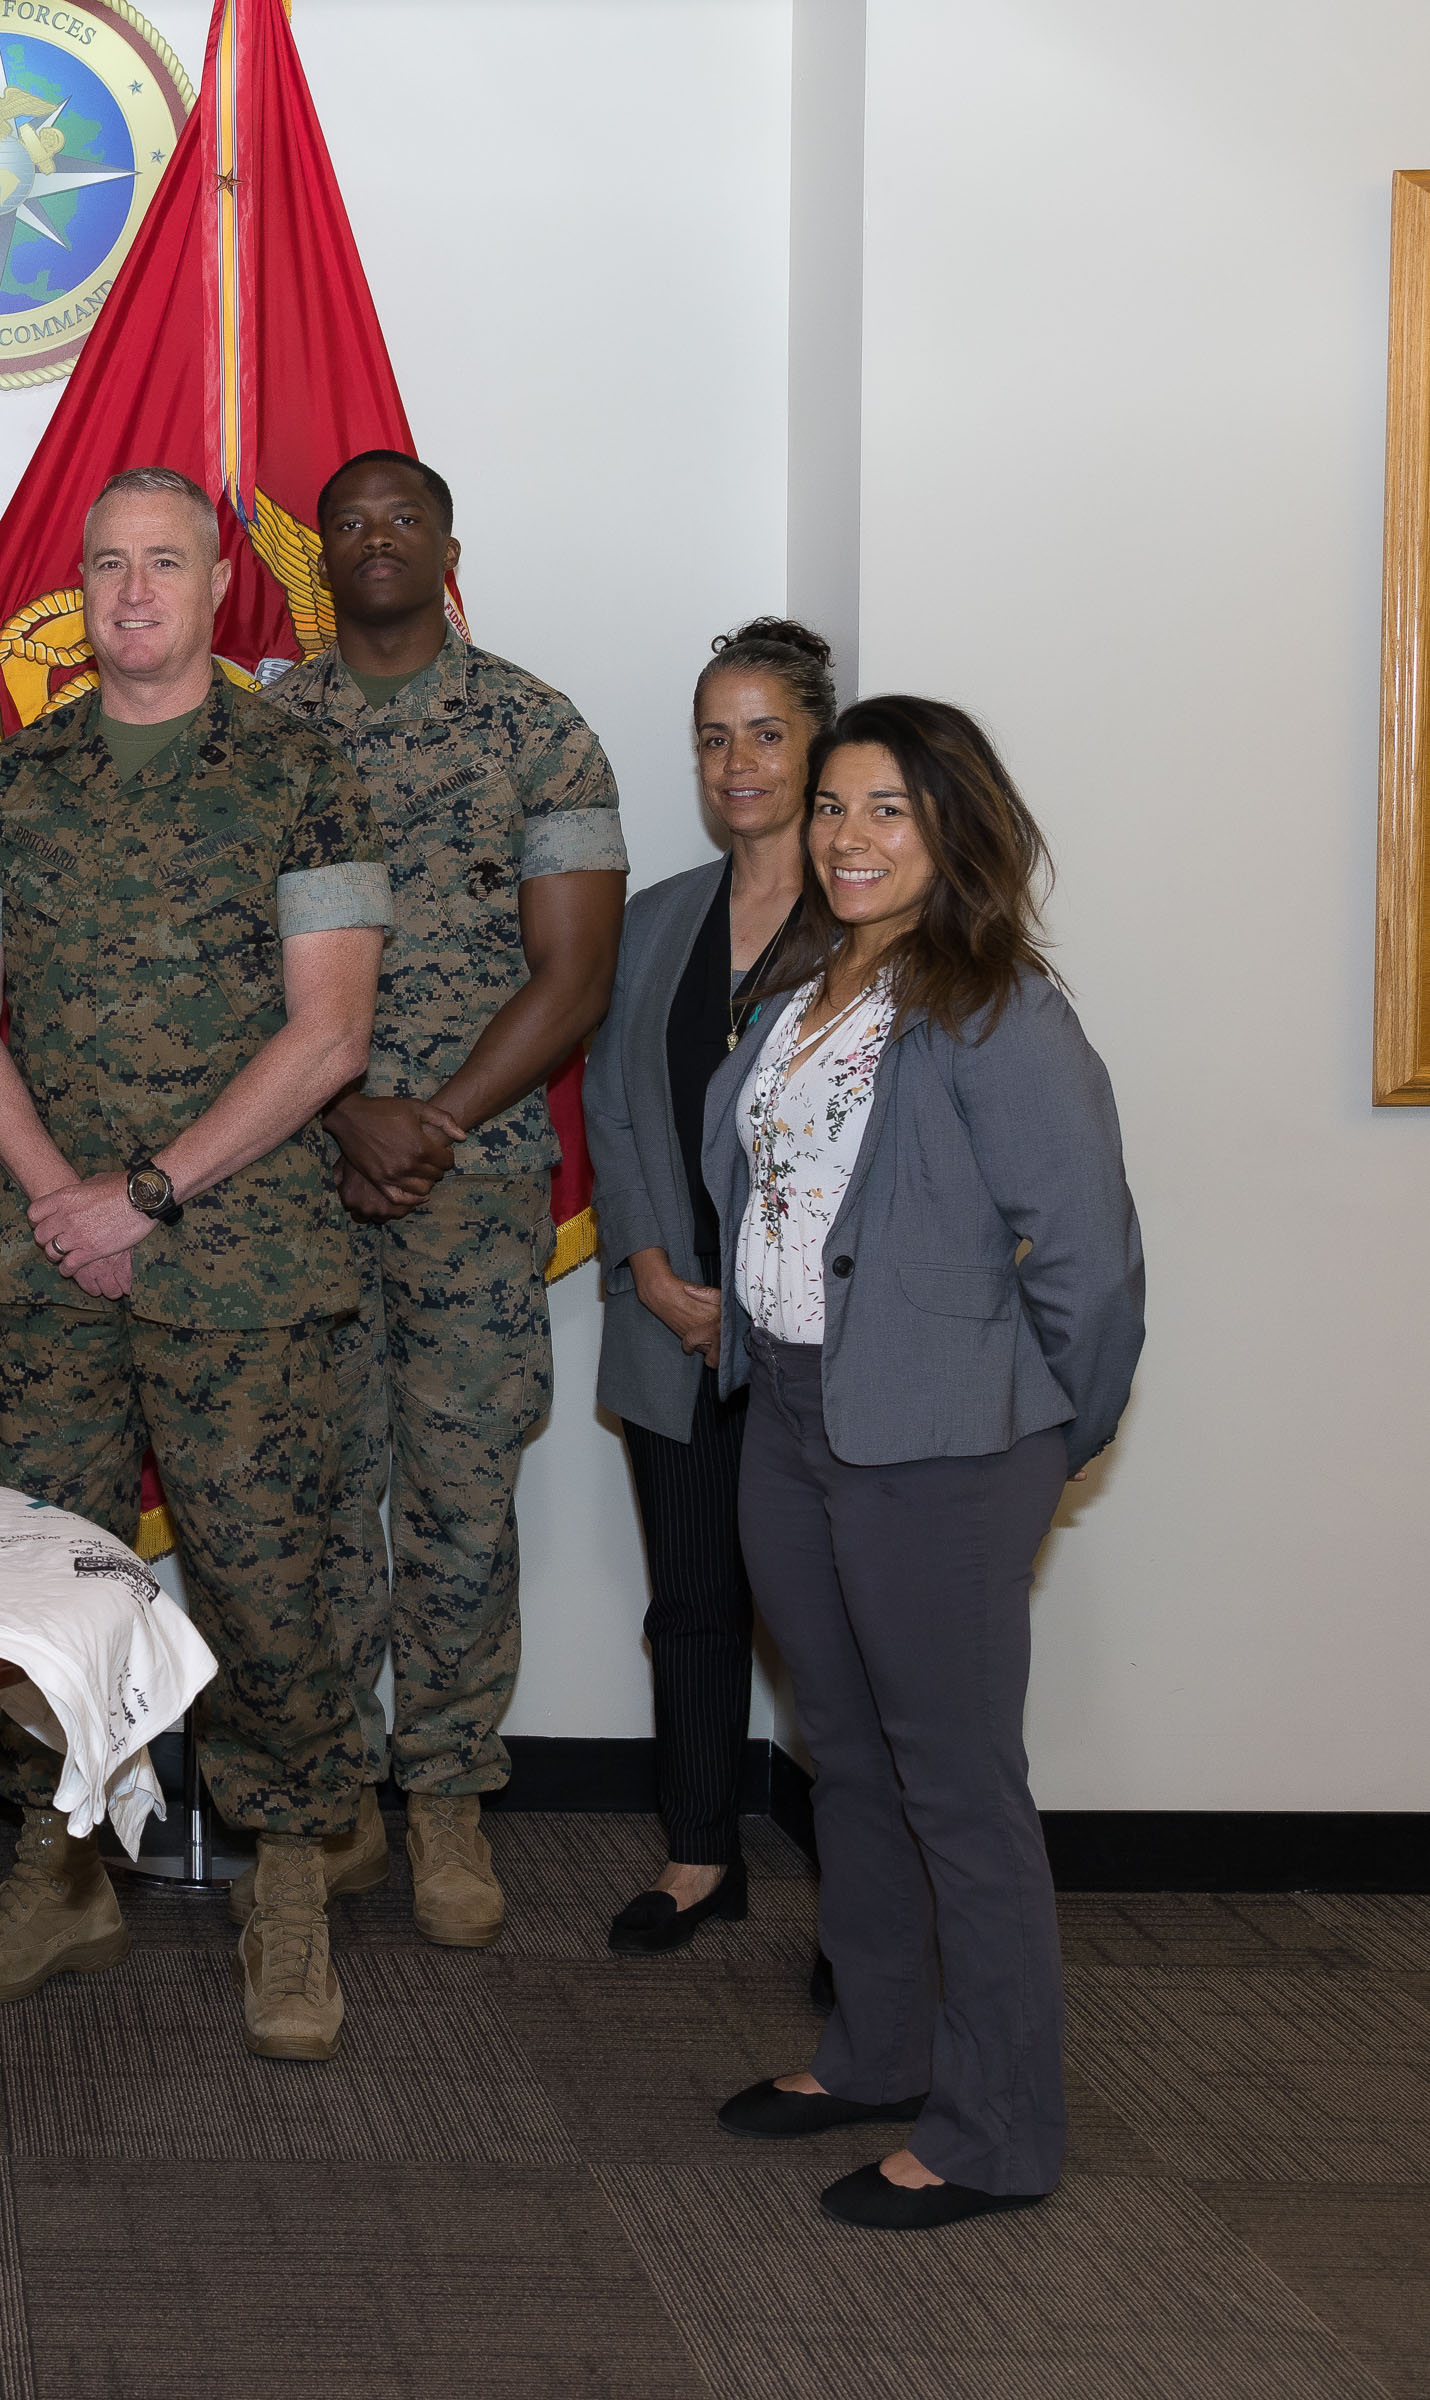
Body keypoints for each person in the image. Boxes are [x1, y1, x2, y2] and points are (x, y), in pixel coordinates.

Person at [0, 466, 392, 2060]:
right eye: (108, 565)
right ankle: (60, 1869)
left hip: (243, 1266)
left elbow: (329, 1032)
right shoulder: (8, 781)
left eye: (165, 563)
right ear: (81, 589)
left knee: (265, 1585)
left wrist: (148, 1194)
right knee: (48, 1590)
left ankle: (287, 1886)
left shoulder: (299, 773)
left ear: (217, 588)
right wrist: (62, 1198)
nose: (133, 592)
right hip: (54, 1265)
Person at [705, 697, 1139, 2230]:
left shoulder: (997, 1008)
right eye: (830, 807)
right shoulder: (804, 993)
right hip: (793, 1419)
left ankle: (997, 2130)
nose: (846, 836)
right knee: (849, 1756)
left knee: (958, 1787)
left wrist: (1033, 1442)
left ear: (954, 826)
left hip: (943, 1445)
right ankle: (877, 2049)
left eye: (885, 808)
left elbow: (1087, 1266)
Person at [261, 450, 627, 1949]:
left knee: (462, 1504)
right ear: (320, 557)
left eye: (402, 517)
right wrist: (344, 1110)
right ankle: (334, 1799)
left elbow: (576, 972)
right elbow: (229, 969)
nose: (375, 540)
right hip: (297, 1176)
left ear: (448, 546)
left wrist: (431, 1123)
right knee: (317, 1494)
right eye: (348, 523)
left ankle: (449, 1797)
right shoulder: (266, 735)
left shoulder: (535, 729)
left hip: (470, 1190)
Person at [581, 618, 836, 1952]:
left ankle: (863, 1908)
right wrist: (649, 1270)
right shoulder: (654, 920)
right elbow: (612, 1106)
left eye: (765, 732)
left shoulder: (868, 918)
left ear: (816, 745)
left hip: (817, 1341)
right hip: (669, 1322)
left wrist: (751, 1304)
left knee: (830, 1630)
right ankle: (696, 1855)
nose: (736, 761)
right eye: (712, 736)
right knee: (688, 1601)